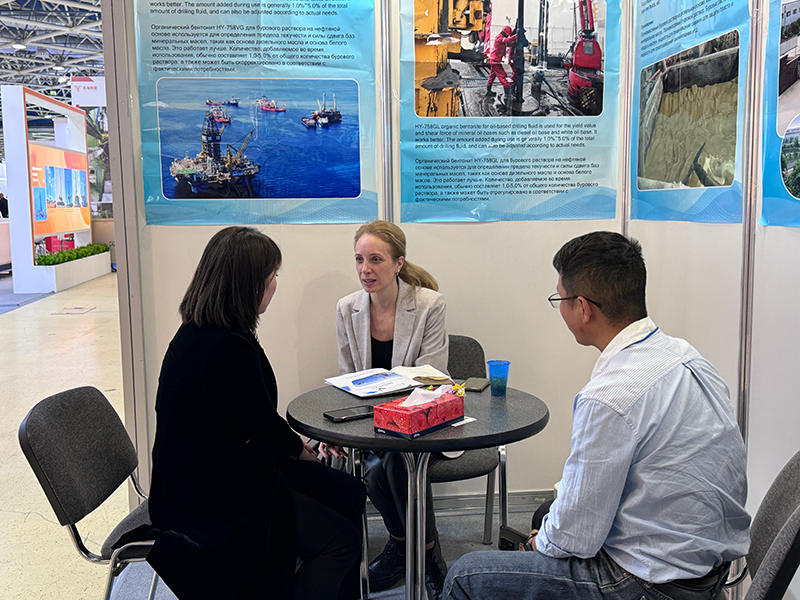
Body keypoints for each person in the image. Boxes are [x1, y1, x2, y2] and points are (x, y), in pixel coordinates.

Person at [444, 231, 750, 600]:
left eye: (559, 299)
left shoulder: (609, 397)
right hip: (709, 568)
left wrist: (540, 543)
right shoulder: (687, 357)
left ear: (583, 308)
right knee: (547, 514)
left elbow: (576, 536)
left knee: (466, 575)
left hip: (651, 583)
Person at [149, 226, 366, 600]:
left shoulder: (204, 332)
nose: (275, 284)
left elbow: (249, 419)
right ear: (250, 285)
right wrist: (298, 450)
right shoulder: (226, 348)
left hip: (214, 472)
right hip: (212, 496)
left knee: (350, 492)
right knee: (340, 543)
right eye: (273, 276)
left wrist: (294, 448)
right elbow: (262, 426)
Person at [335, 220, 449, 600]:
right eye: (359, 259)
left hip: (421, 421)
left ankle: (420, 551)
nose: (365, 269)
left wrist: (392, 402)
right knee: (374, 470)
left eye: (376, 260)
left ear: (399, 263)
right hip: (372, 424)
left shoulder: (429, 304)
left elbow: (433, 377)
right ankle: (410, 547)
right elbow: (348, 379)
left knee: (395, 463)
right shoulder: (347, 309)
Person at [486, 26, 517, 95]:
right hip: (495, 61)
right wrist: (517, 35)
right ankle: (507, 94)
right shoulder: (499, 38)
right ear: (505, 33)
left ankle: (488, 91)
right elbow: (508, 40)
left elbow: (508, 43)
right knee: (503, 76)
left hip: (494, 60)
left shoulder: (501, 38)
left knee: (492, 76)